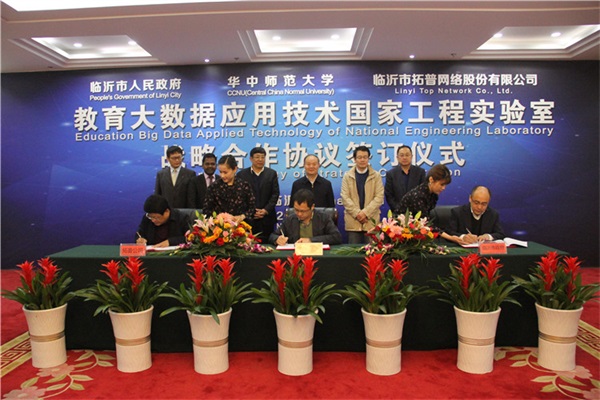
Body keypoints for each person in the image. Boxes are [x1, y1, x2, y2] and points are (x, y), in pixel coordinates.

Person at [340, 145, 384, 244]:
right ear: (354, 159)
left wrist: (365, 213)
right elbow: (345, 197)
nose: (362, 160)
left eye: (365, 157)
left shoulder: (376, 176)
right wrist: (357, 214)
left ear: (369, 158)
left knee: (372, 251)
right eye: (359, 157)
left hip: (371, 222)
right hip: (353, 222)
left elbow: (379, 197)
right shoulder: (347, 176)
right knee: (353, 252)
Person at [237, 147, 280, 243]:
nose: (260, 159)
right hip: (248, 219)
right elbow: (240, 196)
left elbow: (275, 194)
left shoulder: (271, 174)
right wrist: (251, 211)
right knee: (247, 245)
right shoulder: (242, 175)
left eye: (262, 157)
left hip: (267, 218)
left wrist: (265, 210)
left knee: (268, 245)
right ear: (251, 159)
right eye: (257, 157)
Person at [270, 189, 342, 246]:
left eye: (303, 211)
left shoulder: (324, 218)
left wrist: (311, 240)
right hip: (296, 255)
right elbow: (273, 235)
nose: (299, 214)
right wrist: (277, 239)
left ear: (312, 207)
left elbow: (336, 237)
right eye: (296, 210)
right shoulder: (290, 219)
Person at [203, 155, 255, 223]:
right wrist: (219, 219)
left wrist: (242, 217)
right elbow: (206, 210)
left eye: (225, 172)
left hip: (241, 225)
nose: (222, 176)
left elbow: (252, 208)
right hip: (219, 226)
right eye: (220, 172)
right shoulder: (214, 187)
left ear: (235, 169)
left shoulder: (244, 186)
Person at [385, 145, 426, 215]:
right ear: (397, 157)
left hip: (416, 213)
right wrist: (398, 209)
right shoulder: (391, 174)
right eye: (402, 155)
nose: (404, 157)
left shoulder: (420, 172)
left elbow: (423, 193)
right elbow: (389, 195)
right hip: (397, 213)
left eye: (407, 155)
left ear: (411, 156)